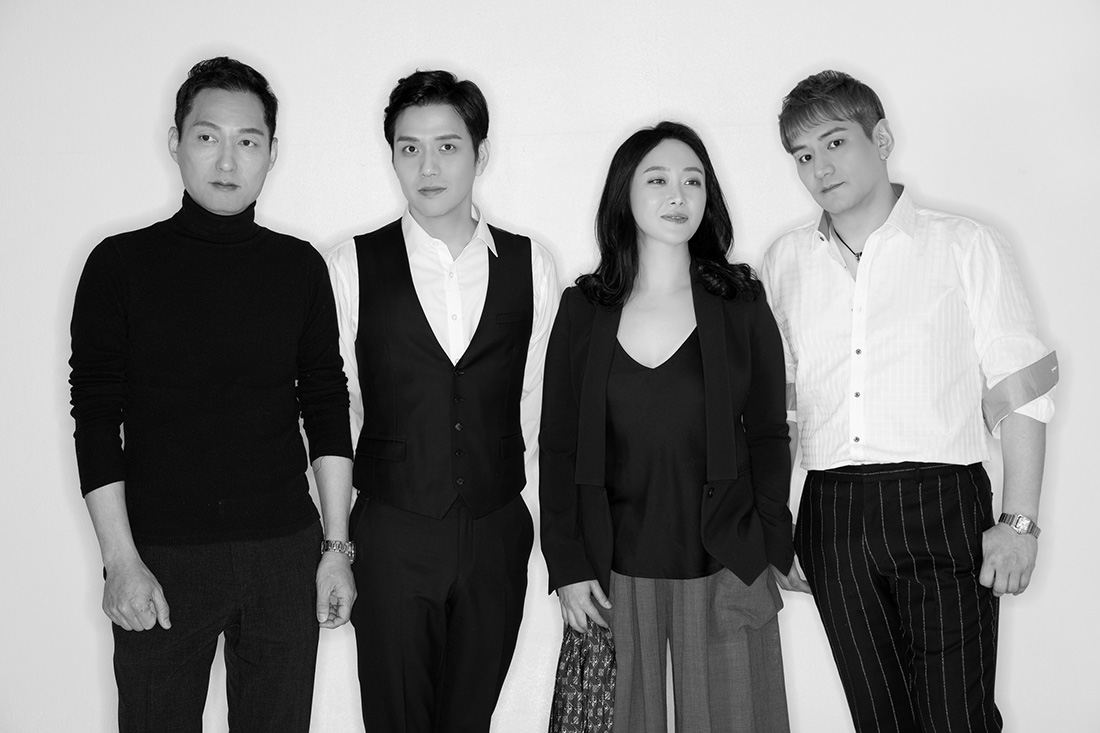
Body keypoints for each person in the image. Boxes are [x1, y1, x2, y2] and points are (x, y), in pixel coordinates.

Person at [760, 70, 1058, 732]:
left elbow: (1022, 387)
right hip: (832, 515)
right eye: (802, 156)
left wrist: (1020, 523)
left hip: (941, 505)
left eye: (835, 142)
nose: (819, 168)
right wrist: (777, 523)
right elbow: (777, 410)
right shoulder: (784, 263)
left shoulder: (965, 245)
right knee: (881, 722)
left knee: (957, 720)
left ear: (882, 139)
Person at [68, 57, 355, 732]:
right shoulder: (119, 264)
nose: (227, 160)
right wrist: (120, 560)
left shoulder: (299, 267)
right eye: (207, 136)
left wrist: (334, 549)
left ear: (271, 152)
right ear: (176, 142)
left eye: (248, 141)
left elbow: (325, 404)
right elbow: (96, 417)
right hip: (161, 557)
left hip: (283, 553)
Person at [540, 121, 795, 732]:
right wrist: (567, 565)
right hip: (612, 569)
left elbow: (768, 432)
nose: (678, 195)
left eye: (692, 181)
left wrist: (770, 545)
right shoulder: (583, 309)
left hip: (724, 560)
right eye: (657, 180)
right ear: (624, 193)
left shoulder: (741, 301)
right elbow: (558, 445)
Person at [325, 69, 558, 731]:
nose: (428, 166)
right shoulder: (348, 265)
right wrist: (338, 542)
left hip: (495, 526)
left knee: (469, 720)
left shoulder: (531, 264)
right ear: (393, 156)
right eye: (410, 148)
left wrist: (508, 499)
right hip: (393, 527)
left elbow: (536, 399)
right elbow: (339, 408)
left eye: (447, 146)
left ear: (480, 155)